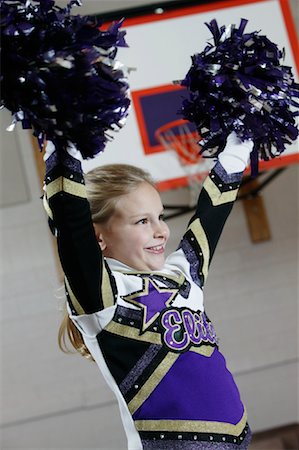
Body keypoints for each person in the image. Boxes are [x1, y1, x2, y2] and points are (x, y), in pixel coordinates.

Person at [43, 132, 253, 449]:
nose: (161, 231)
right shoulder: (103, 295)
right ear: (98, 237)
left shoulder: (183, 274)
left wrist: (240, 144)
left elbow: (212, 213)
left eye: (160, 216)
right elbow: (69, 218)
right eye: (142, 221)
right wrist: (64, 138)